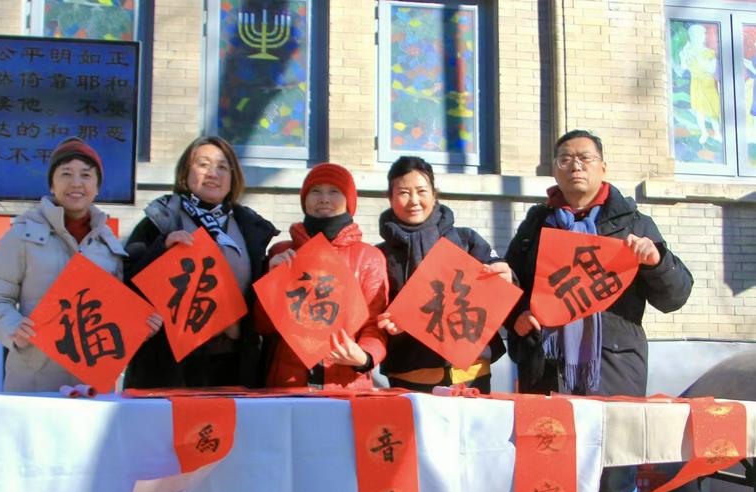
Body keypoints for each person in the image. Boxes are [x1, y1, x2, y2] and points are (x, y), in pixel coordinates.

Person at [504, 130, 693, 492]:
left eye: (585, 158)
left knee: (614, 489)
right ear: (554, 169)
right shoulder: (536, 225)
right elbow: (510, 287)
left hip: (613, 373)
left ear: (603, 167)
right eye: (565, 158)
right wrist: (517, 318)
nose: (575, 166)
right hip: (548, 375)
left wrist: (656, 260)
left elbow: (675, 296)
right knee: (551, 485)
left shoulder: (633, 222)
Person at [0, 137, 162, 392]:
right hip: (33, 380)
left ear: (97, 186)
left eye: (86, 175)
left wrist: (139, 327)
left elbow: (113, 313)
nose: (76, 183)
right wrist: (13, 328)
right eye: (66, 173)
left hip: (91, 383)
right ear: (52, 185)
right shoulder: (21, 235)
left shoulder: (109, 245)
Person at [123, 136, 278, 388]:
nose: (213, 173)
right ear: (185, 172)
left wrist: (242, 327)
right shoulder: (160, 221)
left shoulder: (249, 227)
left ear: (233, 177)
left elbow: (258, 296)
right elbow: (127, 282)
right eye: (203, 164)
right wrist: (161, 248)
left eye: (222, 167)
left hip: (231, 363)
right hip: (169, 363)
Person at [375, 156, 513, 393]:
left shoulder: (465, 239)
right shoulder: (379, 256)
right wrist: (387, 323)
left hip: (471, 374)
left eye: (421, 191)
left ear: (434, 194)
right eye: (404, 193)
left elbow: (498, 281)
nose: (414, 201)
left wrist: (507, 277)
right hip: (410, 375)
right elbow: (372, 313)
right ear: (390, 198)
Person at [256, 163, 388, 389]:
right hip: (288, 382)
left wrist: (364, 357)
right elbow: (262, 327)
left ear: (349, 200)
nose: (324, 199)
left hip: (346, 385)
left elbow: (374, 325)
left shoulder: (369, 257)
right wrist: (272, 281)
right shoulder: (281, 253)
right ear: (304, 200)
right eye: (316, 191)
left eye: (334, 191)